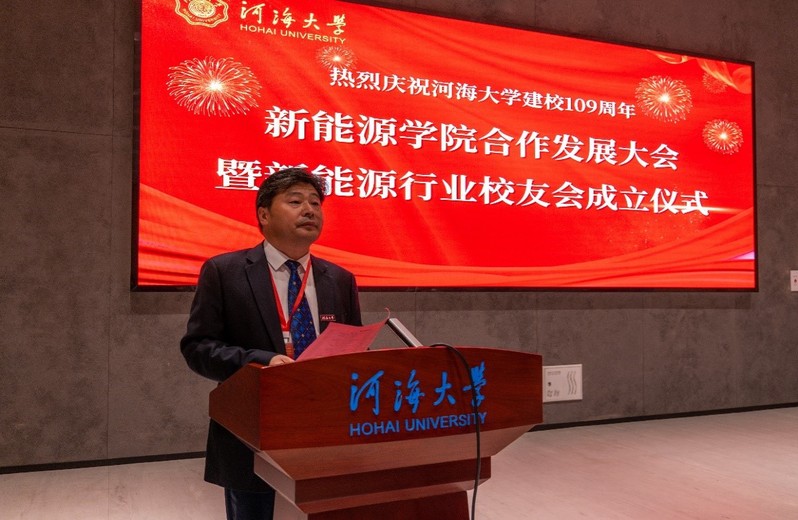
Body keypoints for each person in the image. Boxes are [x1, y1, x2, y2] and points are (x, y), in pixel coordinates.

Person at [180, 167, 362, 520]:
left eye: (315, 203)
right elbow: (198, 348)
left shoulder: (340, 279)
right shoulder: (225, 271)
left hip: (326, 426)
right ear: (264, 215)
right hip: (253, 426)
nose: (309, 210)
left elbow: (352, 349)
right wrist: (263, 361)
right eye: (295, 201)